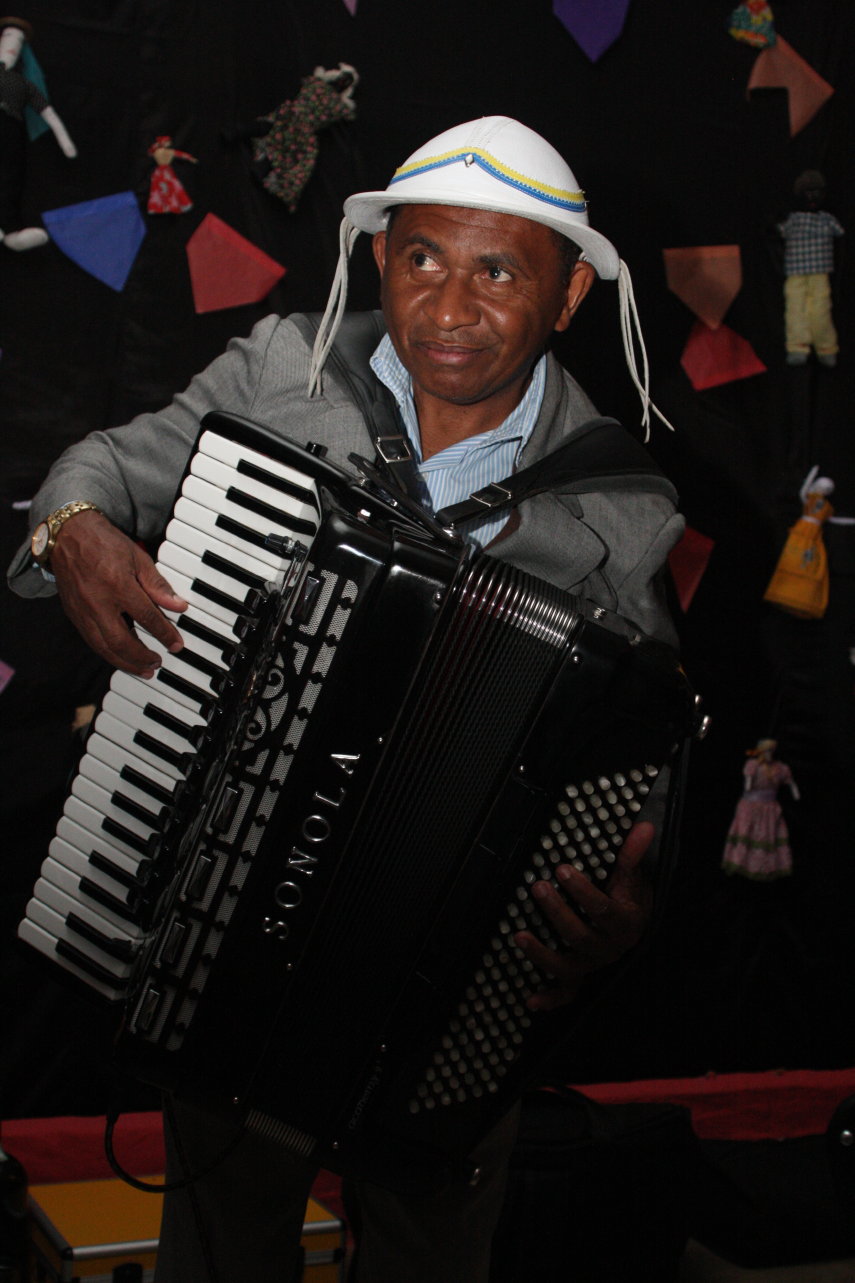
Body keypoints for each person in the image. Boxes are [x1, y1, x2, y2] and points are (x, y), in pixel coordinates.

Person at [9, 116, 684, 1282]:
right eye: (422, 258)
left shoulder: (622, 505)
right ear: (380, 257)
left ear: (569, 293)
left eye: (498, 271)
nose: (448, 308)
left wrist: (628, 897)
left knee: (432, 1254)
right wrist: (72, 527)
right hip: (234, 910)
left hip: (448, 984)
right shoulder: (286, 364)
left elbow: (645, 758)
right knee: (222, 1244)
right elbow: (109, 466)